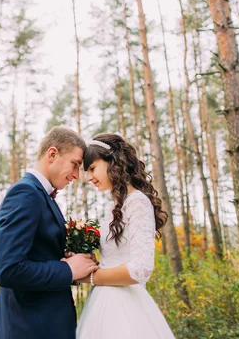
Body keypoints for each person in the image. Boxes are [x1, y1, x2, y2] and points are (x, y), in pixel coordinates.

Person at [0, 126, 99, 339]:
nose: (76, 175)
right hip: (28, 328)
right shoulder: (25, 194)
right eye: (75, 164)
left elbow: (39, 254)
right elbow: (8, 270)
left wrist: (71, 261)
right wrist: (67, 271)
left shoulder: (43, 196)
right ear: (52, 154)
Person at [76, 133, 175, 339]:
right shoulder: (115, 207)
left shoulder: (137, 202)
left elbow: (141, 269)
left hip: (125, 308)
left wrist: (89, 276)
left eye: (92, 168)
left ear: (113, 162)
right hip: (102, 303)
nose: (89, 177)